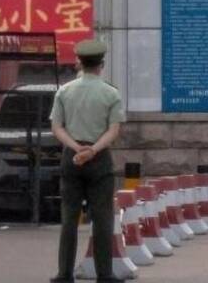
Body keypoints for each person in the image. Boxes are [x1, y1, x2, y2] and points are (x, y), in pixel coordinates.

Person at [50, 39, 125, 283]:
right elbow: (113, 130)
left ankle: (64, 274)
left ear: (79, 63)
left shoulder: (65, 91)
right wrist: (92, 150)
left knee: (69, 218)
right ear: (101, 65)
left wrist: (75, 148)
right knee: (103, 218)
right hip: (99, 158)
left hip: (71, 157)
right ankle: (105, 274)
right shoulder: (111, 93)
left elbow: (56, 127)